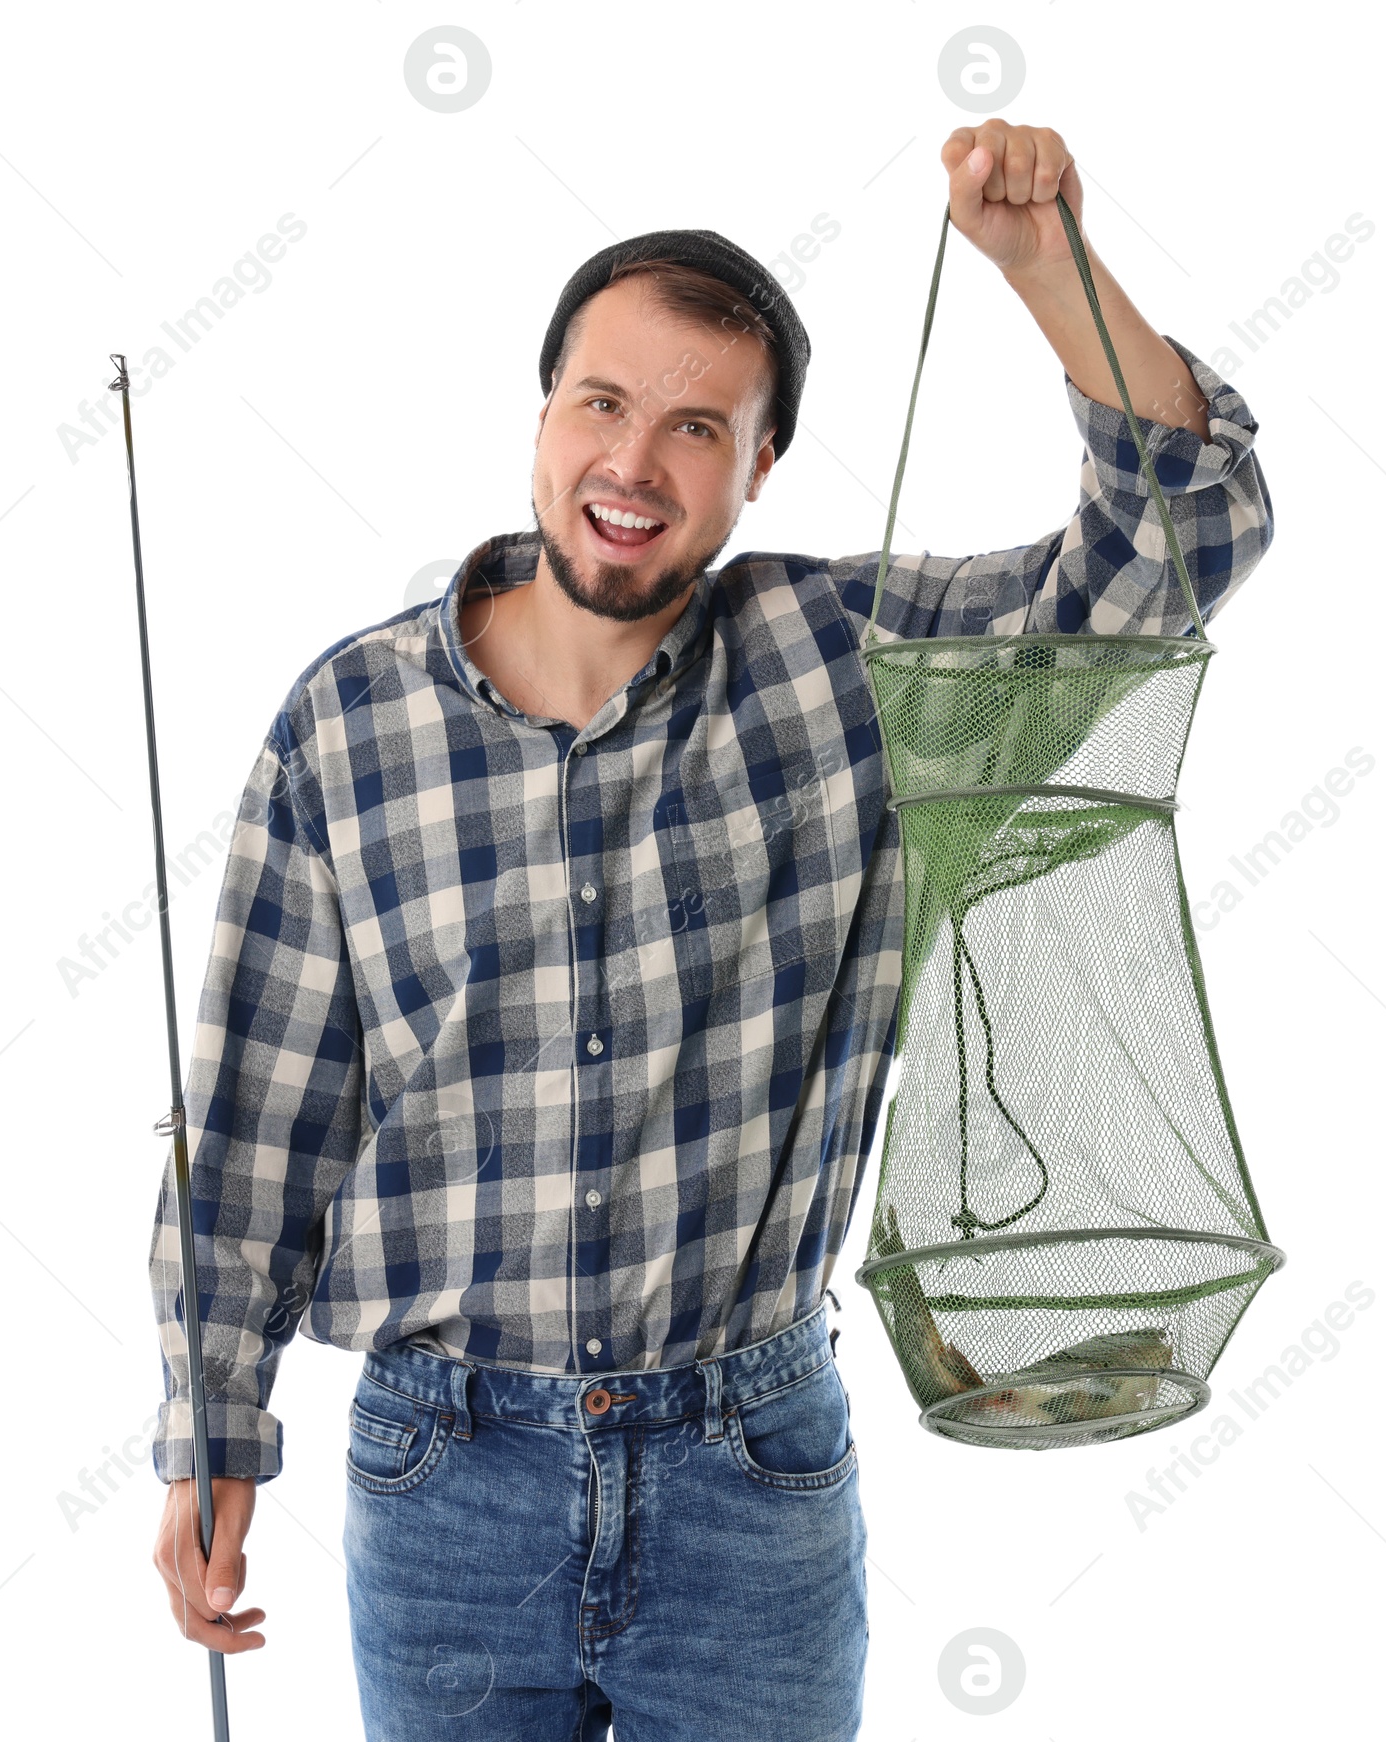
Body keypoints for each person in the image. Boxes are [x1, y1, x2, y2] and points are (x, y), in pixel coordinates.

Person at [149, 121, 1273, 1739]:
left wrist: (1051, 270)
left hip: (752, 1472)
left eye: (697, 427)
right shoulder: (348, 721)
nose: (635, 463)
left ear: (758, 470)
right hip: (443, 1476)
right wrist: (209, 1426)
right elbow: (258, 1128)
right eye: (602, 403)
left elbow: (1186, 547)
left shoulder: (847, 662)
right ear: (541, 413)